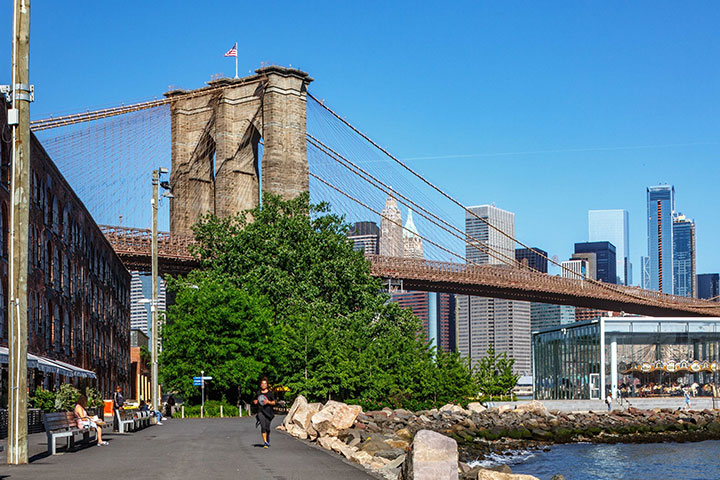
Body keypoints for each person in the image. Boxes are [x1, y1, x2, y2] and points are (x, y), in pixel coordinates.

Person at [253, 378, 276, 448]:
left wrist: (268, 402)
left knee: (267, 428)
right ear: (260, 385)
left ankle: (268, 437)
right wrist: (255, 401)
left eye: (265, 383)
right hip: (260, 411)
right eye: (262, 383)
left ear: (267, 385)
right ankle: (265, 442)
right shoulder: (258, 393)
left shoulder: (270, 393)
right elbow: (255, 400)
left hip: (268, 412)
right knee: (263, 427)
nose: (263, 385)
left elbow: (274, 402)